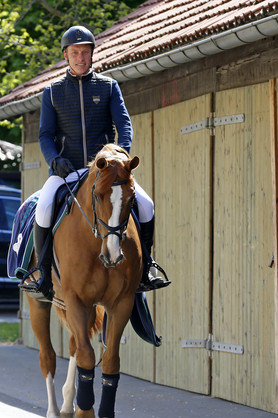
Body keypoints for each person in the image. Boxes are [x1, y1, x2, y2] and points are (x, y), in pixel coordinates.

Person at [20, 25, 169, 300]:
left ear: (91, 55)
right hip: (68, 170)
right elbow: (45, 135)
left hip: (106, 171)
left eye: (85, 52)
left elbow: (123, 124)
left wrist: (120, 156)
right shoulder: (52, 92)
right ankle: (41, 275)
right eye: (75, 52)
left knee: (146, 205)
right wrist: (54, 160)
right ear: (66, 55)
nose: (81, 57)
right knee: (43, 208)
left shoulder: (109, 86)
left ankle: (146, 268)